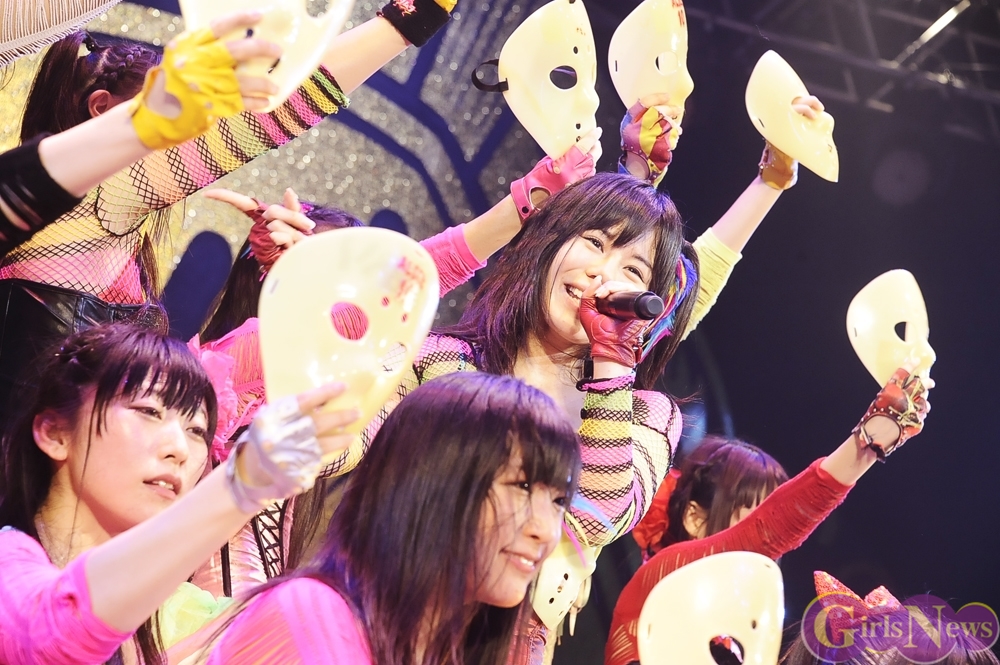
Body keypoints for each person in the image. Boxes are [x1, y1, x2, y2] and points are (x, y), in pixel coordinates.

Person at [0, 0, 463, 419]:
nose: (197, 136)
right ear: (102, 109)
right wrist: (412, 17)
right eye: (176, 111)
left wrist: (292, 283)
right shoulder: (94, 204)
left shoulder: (116, 228)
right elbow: (282, 107)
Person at [0, 323, 359, 665]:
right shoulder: (8, 561)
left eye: (196, 431)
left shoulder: (174, 617)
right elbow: (52, 632)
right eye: (148, 411)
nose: (180, 449)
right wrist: (242, 484)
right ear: (55, 433)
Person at [175, 372, 582, 665]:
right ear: (433, 482)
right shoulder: (310, 620)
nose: (546, 531)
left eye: (559, 501)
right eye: (521, 487)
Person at [605, 366, 933, 665]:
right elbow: (774, 528)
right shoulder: (659, 583)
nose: (774, 550)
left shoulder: (745, 644)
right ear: (695, 519)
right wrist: (869, 440)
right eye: (753, 516)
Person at [0, 10, 281, 254]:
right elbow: (282, 110)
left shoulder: (105, 209)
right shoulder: (107, 199)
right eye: (153, 102)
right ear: (101, 106)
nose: (182, 137)